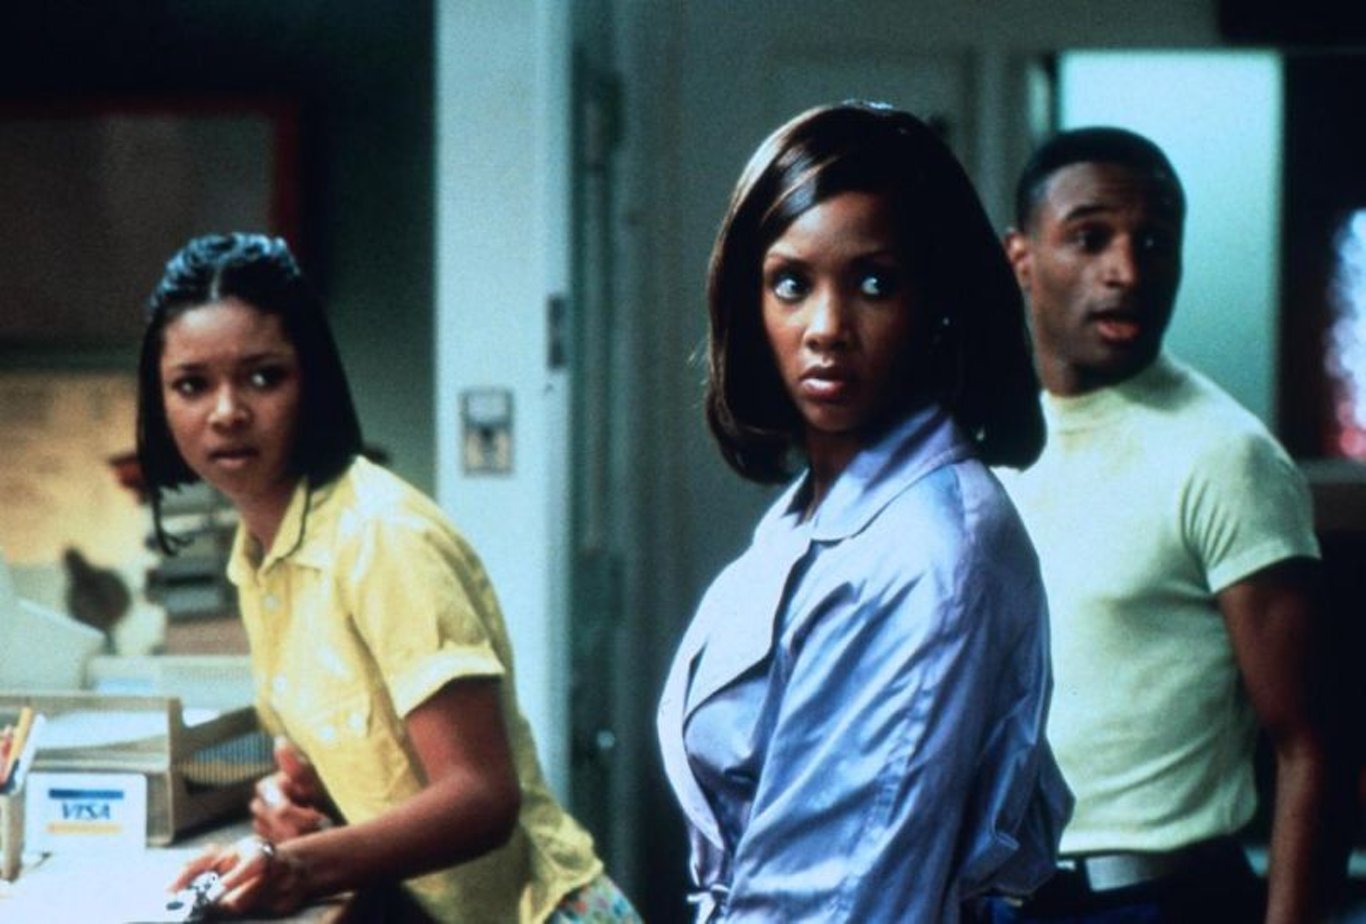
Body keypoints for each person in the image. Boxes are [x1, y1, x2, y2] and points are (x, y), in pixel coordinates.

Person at [137, 233, 638, 923]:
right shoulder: (261, 558)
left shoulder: (381, 535)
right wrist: (304, 806)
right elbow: (384, 773)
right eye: (192, 385)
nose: (226, 412)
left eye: (263, 376)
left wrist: (301, 865)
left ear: (312, 381)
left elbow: (482, 797)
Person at [655, 101, 1072, 923]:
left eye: (875, 283)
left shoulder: (928, 552)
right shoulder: (811, 514)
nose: (826, 329)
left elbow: (836, 900)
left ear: (937, 302)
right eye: (791, 284)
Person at [995, 127, 1347, 922]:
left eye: (1153, 242)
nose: (1126, 270)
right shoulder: (987, 449)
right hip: (1001, 899)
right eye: (1090, 238)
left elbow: (1312, 745)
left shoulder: (1224, 455)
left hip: (1162, 898)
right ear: (1023, 257)